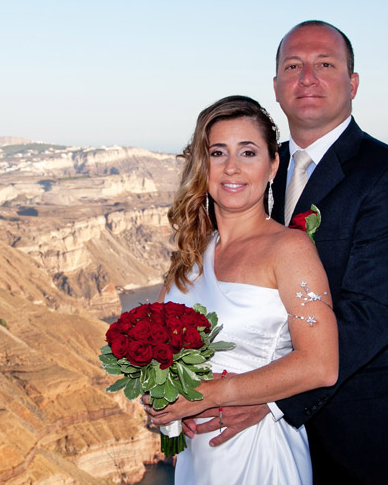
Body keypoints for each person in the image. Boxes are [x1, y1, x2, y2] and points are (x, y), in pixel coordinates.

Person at [187, 21, 388, 484]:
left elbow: (373, 313)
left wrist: (271, 398)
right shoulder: (252, 164)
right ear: (277, 87)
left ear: (353, 82)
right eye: (293, 66)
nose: (307, 77)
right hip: (242, 441)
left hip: (357, 433)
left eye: (325, 64)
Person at [144, 95, 339, 484]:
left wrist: (211, 394)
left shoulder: (290, 250)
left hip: (259, 453)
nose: (231, 167)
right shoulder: (192, 254)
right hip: (197, 458)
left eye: (248, 152)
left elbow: (321, 365)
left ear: (273, 165)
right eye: (218, 152)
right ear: (204, 166)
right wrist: (161, 402)